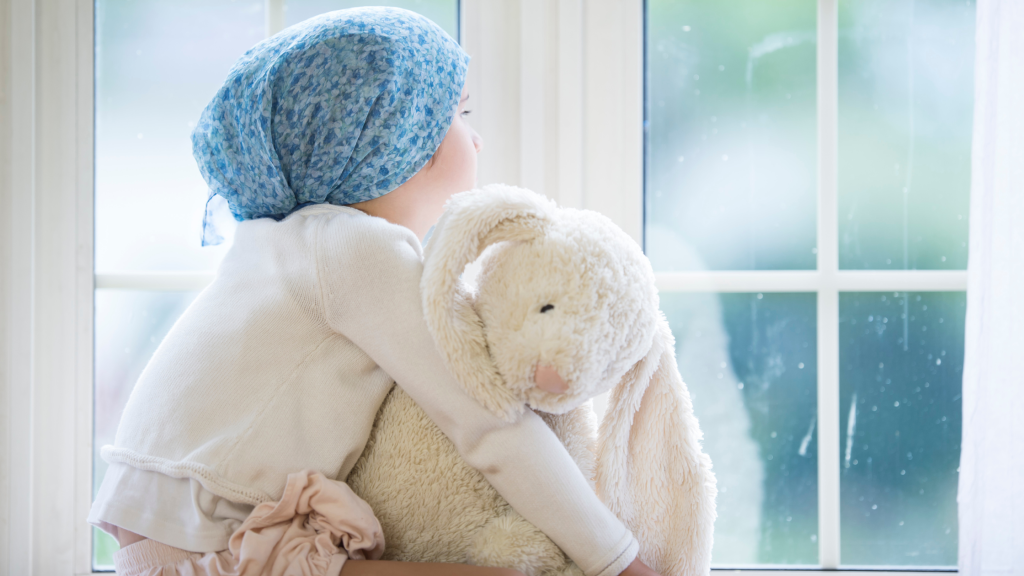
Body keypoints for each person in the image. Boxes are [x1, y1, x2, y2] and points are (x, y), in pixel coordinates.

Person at [88, 7, 662, 576]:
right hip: (213, 547)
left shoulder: (277, 242)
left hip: (172, 538)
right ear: (403, 143)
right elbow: (489, 421)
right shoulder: (355, 249)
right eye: (460, 113)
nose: (478, 137)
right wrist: (617, 559)